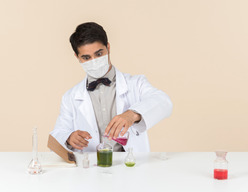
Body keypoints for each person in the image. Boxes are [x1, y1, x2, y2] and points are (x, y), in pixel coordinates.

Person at [50, 22, 173, 152]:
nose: (94, 61)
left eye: (99, 54)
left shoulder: (136, 83)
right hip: (91, 166)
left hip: (129, 164)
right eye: (86, 57)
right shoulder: (70, 97)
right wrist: (69, 138)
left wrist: (132, 114)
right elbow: (58, 133)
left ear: (108, 47)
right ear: (77, 57)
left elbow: (164, 102)